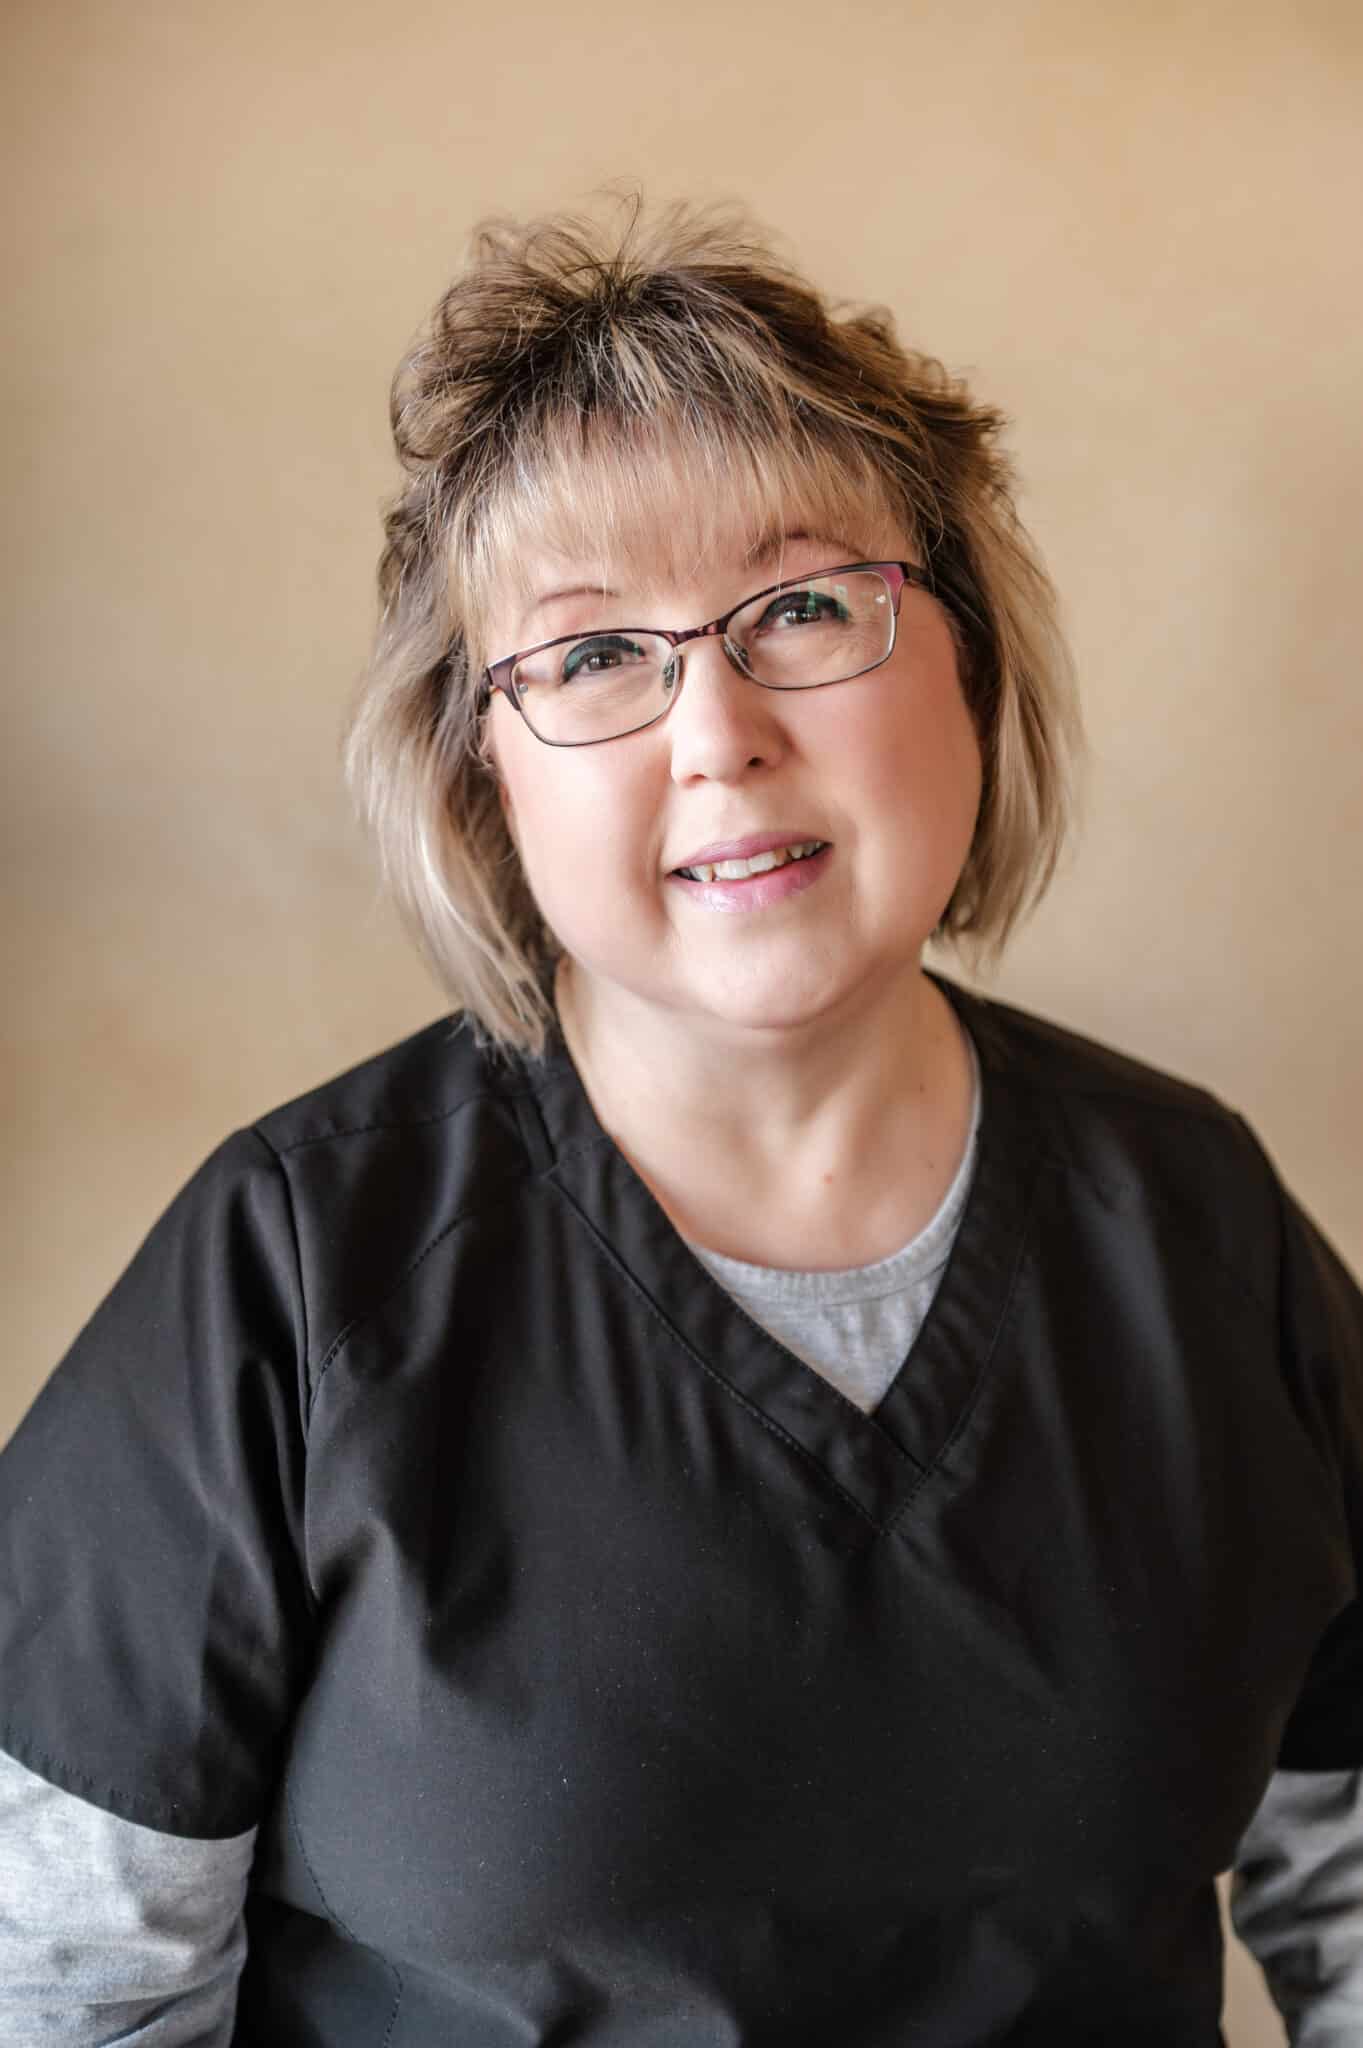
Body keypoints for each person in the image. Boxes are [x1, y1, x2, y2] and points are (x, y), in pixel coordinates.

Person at [1, 198, 1360, 2047]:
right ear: (482, 773)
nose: (715, 731)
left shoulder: (1199, 1221)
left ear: (966, 656)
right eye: (589, 656)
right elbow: (64, 1994)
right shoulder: (290, 1277)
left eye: (802, 607)